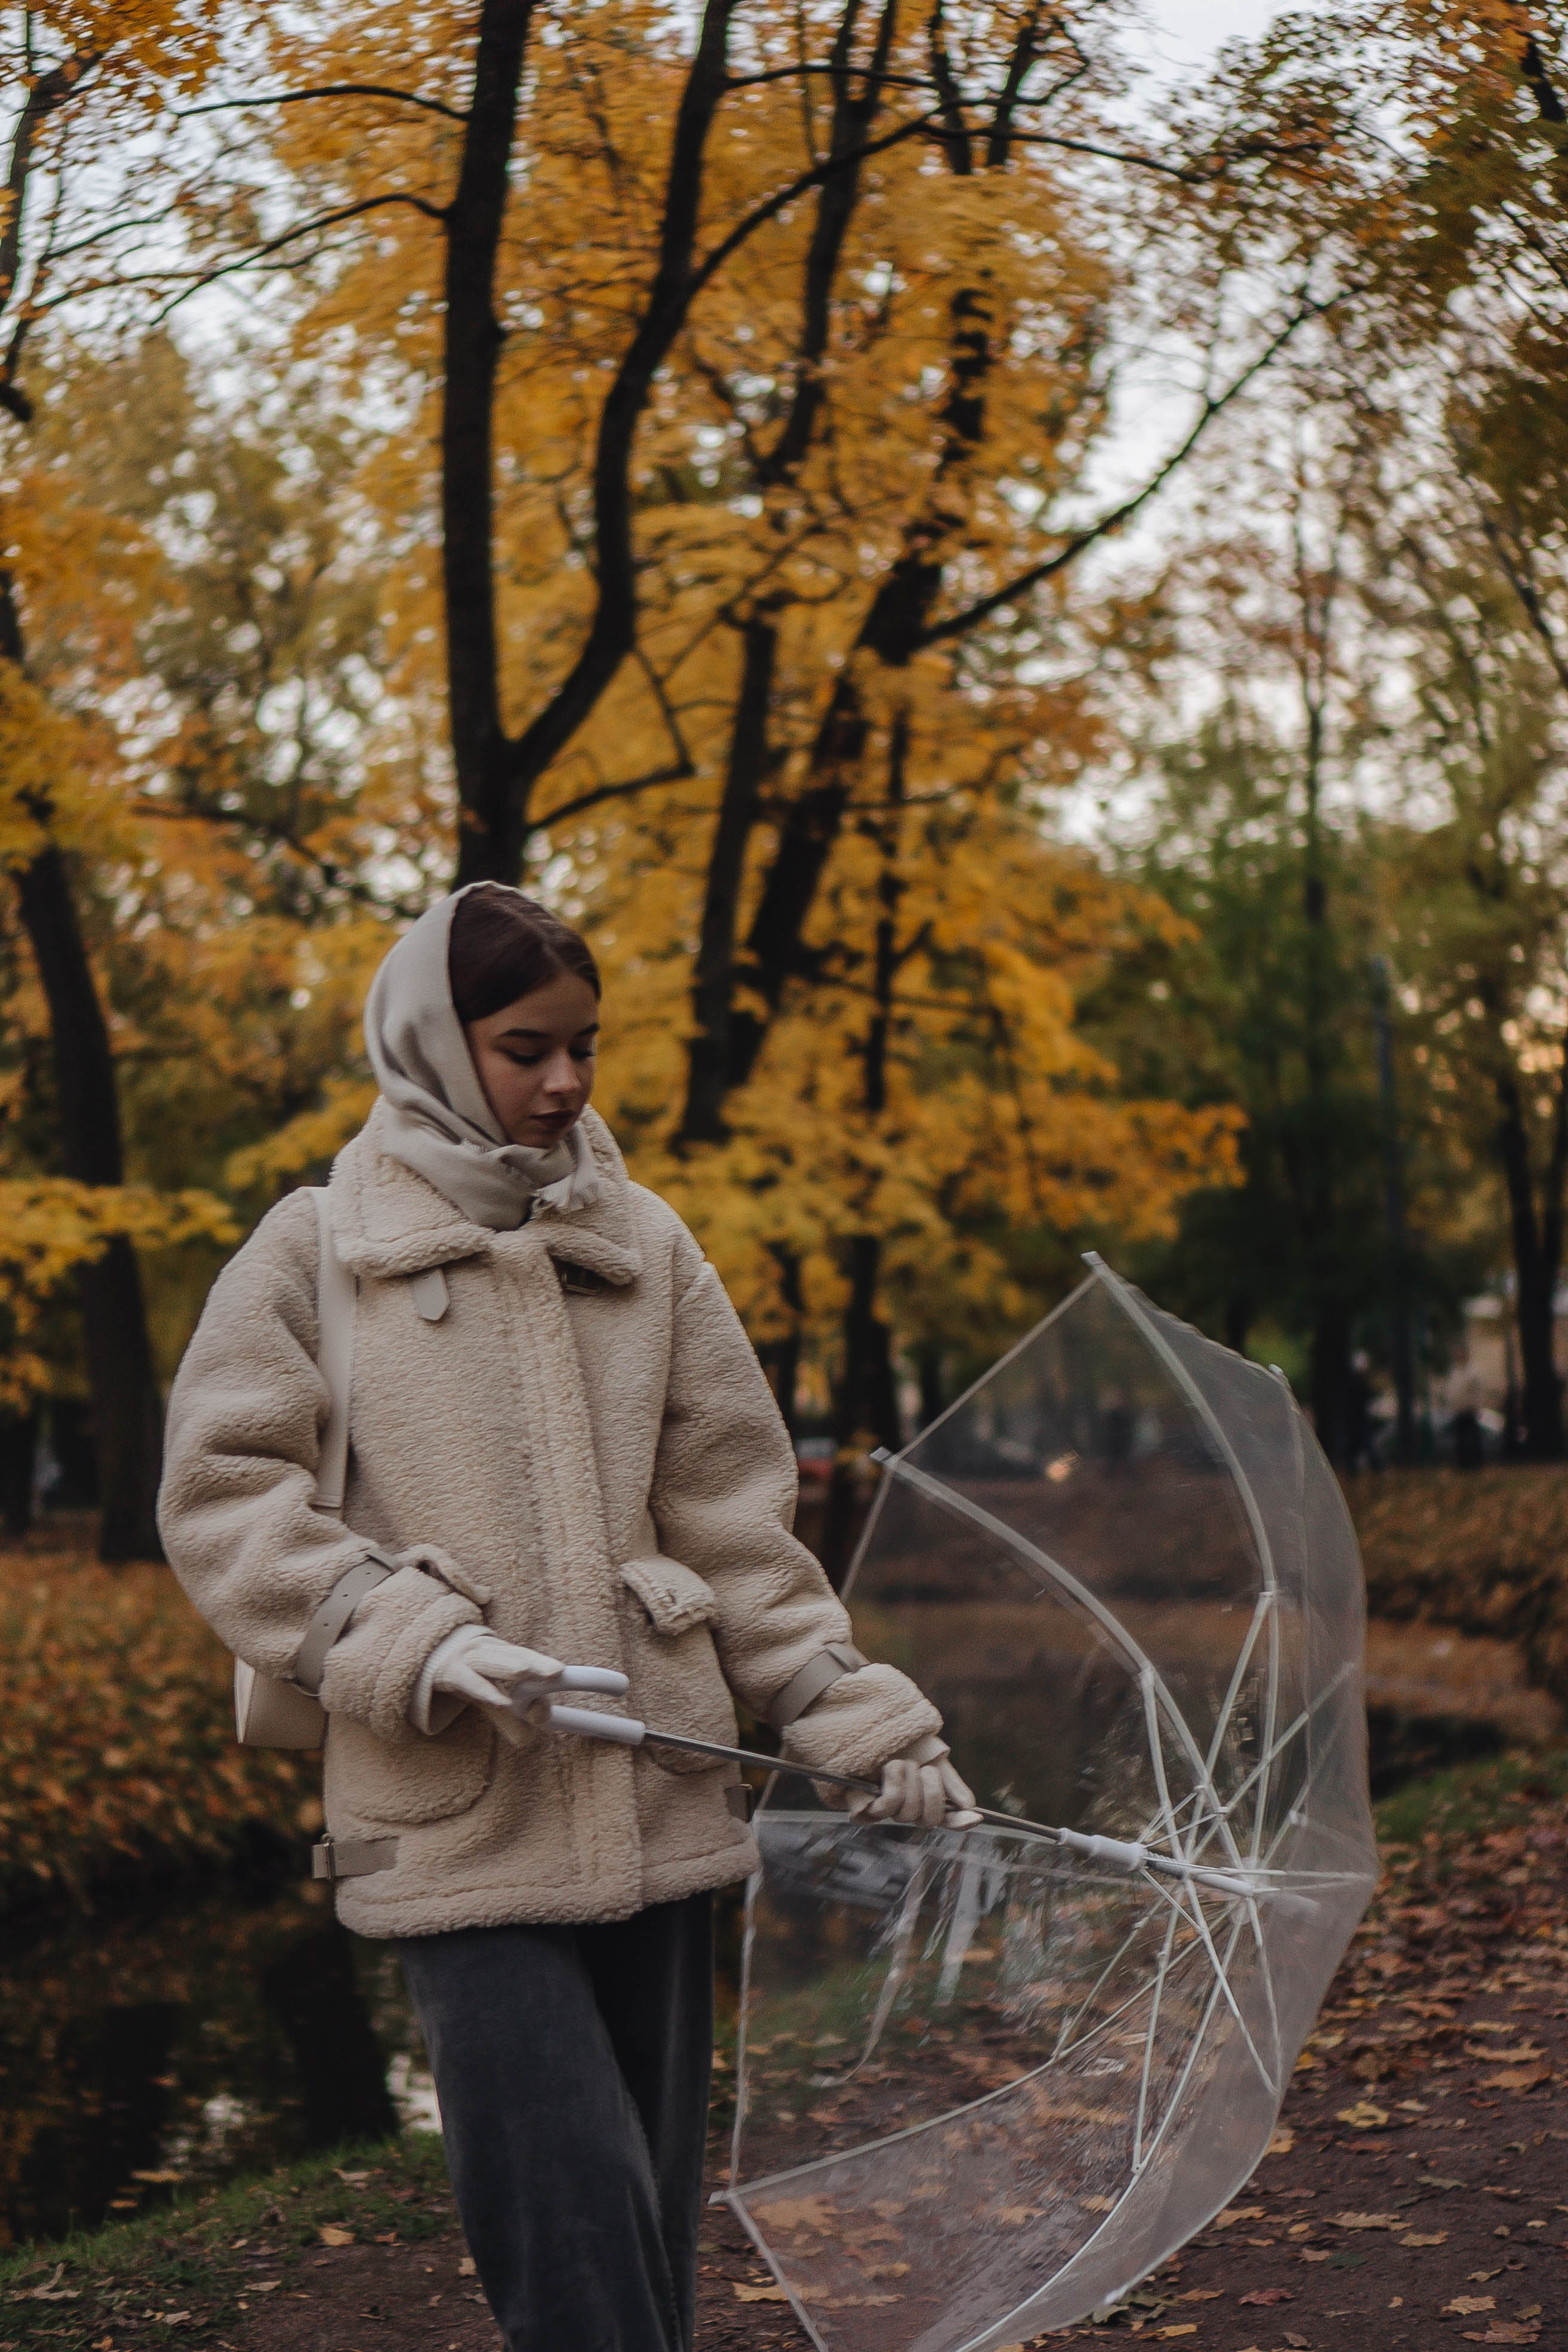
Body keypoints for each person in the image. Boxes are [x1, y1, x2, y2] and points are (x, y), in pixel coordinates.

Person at [157, 884, 976, 2352]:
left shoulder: (645, 1243)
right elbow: (223, 1494)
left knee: (645, 2220)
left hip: (659, 1782)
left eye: (584, 1046)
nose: (566, 1082)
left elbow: (732, 1519)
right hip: (455, 1808)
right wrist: (411, 1637)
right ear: (430, 1038)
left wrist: (854, 1717)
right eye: (526, 1046)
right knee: (565, 2211)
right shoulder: (314, 1248)